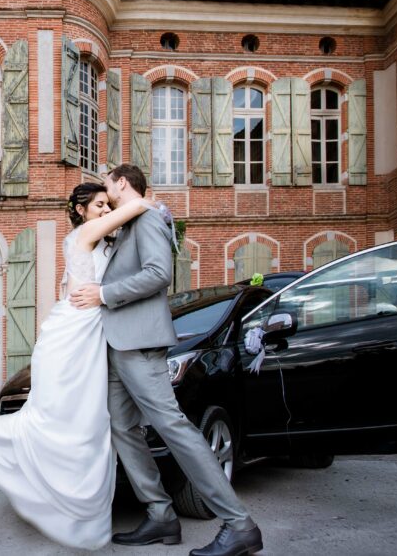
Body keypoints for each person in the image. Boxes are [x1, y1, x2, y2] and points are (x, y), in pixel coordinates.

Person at [0, 182, 156, 550]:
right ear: (81, 210)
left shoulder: (101, 242)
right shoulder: (85, 233)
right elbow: (133, 210)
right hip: (70, 340)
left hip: (89, 337)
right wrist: (143, 199)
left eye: (108, 205)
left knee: (88, 424)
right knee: (49, 420)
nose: (106, 210)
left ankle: (81, 514)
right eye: (100, 205)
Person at [70, 163, 264, 556]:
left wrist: (103, 295)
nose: (106, 197)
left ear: (122, 183)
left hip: (140, 343)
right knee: (122, 429)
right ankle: (160, 513)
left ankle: (239, 523)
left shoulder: (149, 219)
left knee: (173, 426)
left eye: (108, 187)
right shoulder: (129, 223)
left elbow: (159, 274)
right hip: (116, 345)